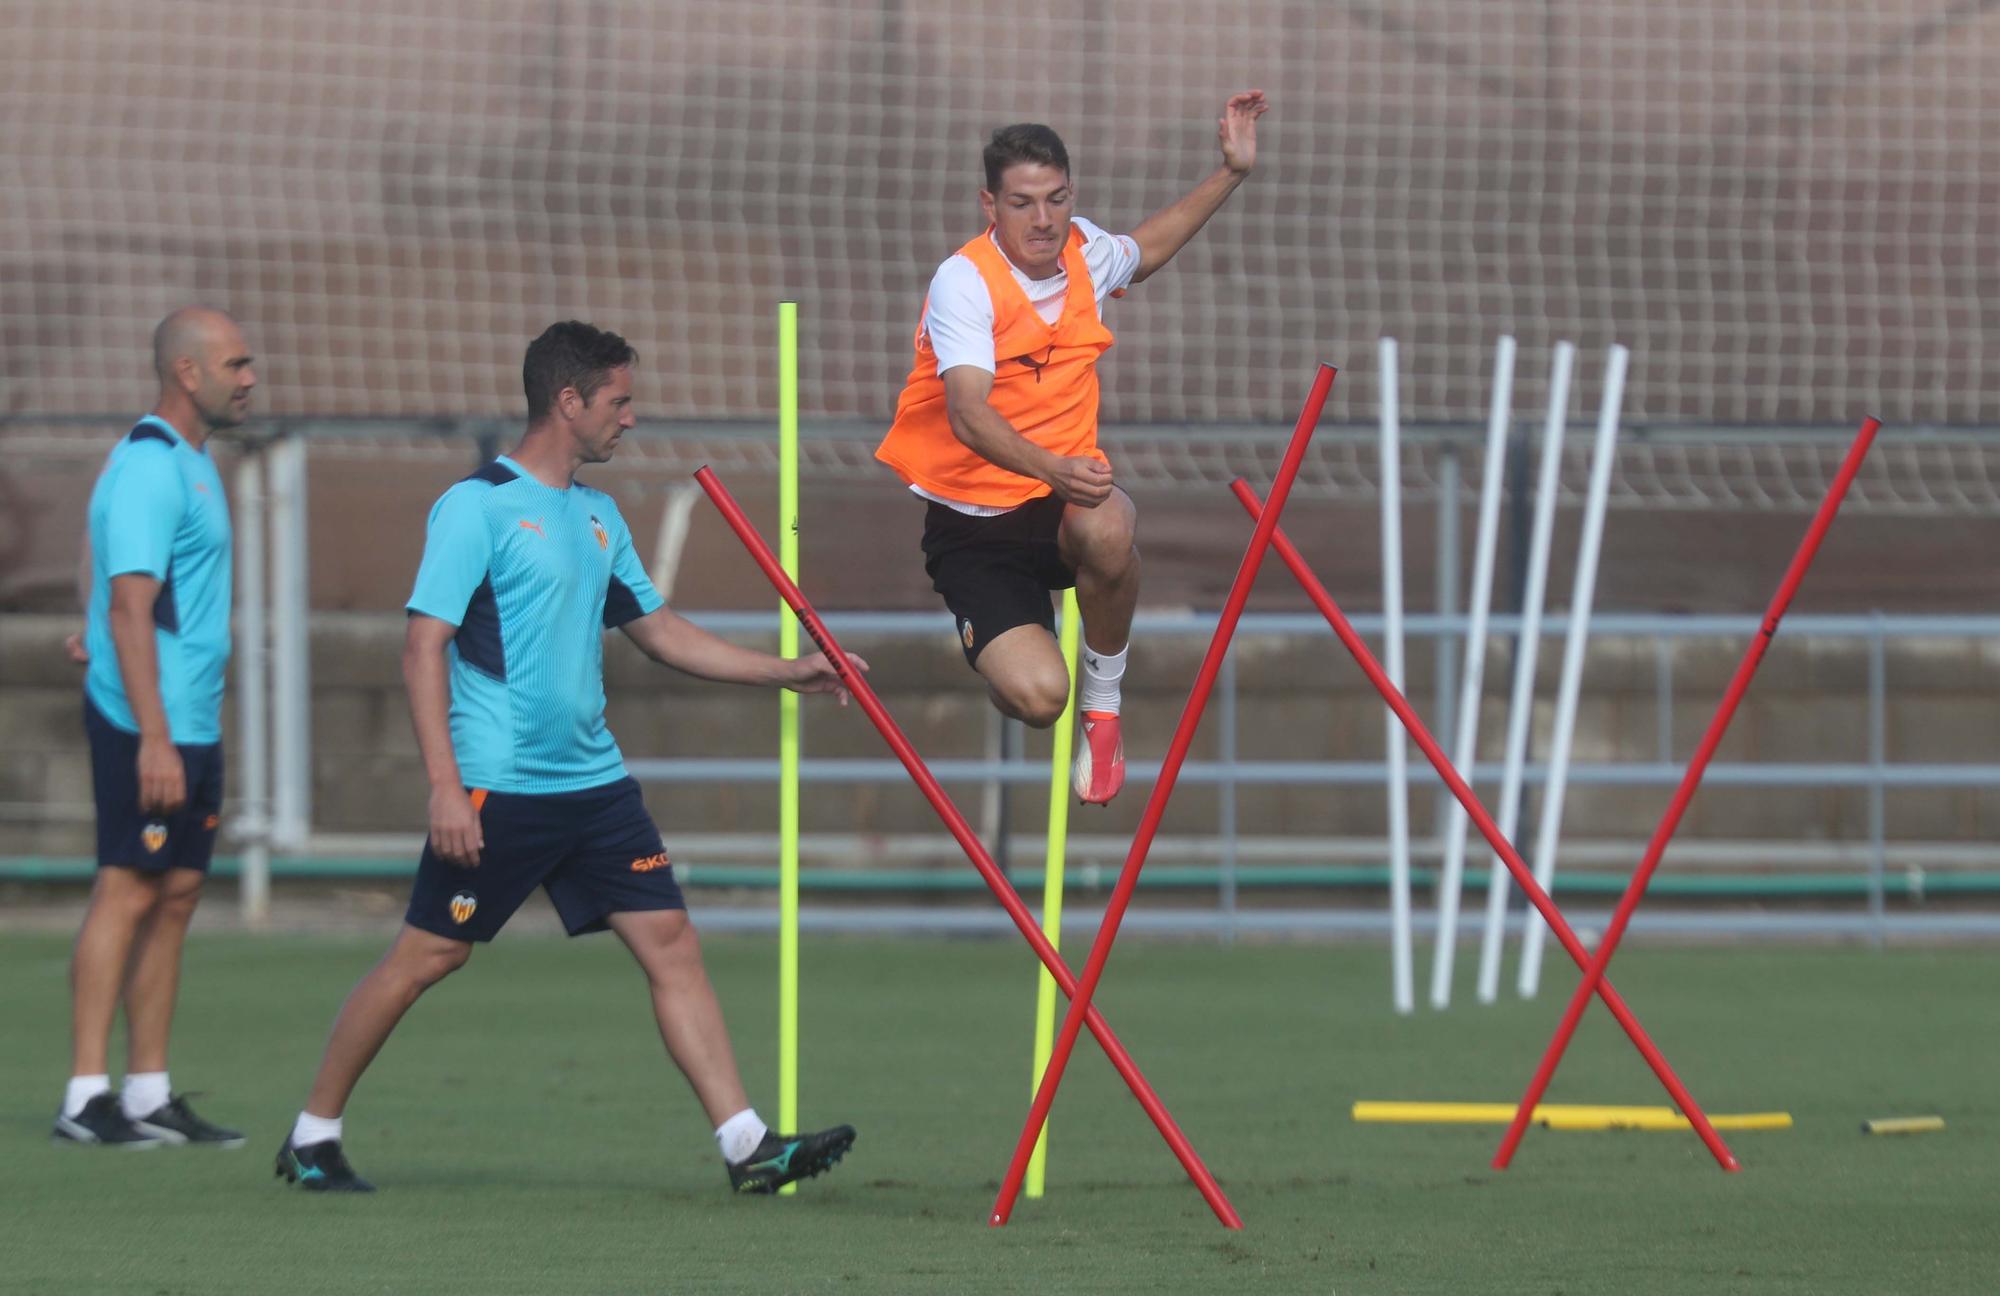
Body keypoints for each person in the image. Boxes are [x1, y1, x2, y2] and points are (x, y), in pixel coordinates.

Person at [276, 321, 859, 1194]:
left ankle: (748, 1147)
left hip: (595, 786)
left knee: (671, 940)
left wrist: (786, 672)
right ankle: (313, 1136)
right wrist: (443, 786)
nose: (631, 418)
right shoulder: (474, 506)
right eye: (619, 401)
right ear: (568, 401)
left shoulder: (598, 516)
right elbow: (421, 647)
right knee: (430, 956)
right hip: (497, 787)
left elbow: (659, 632)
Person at [875, 91, 1271, 805]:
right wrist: (1052, 465)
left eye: (1056, 199)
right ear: (989, 205)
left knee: (1110, 516)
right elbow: (967, 413)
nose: (1043, 219)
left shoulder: (1084, 252)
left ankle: (1106, 709)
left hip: (1060, 505)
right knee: (1036, 700)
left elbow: (1146, 250)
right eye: (1023, 202)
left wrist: (1231, 172)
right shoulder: (964, 282)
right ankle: (1032, 682)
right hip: (975, 526)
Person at [56, 307, 257, 1147]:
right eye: (236, 364)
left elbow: (113, 590)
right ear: (187, 372)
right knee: (127, 887)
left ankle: (147, 1090)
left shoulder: (195, 463)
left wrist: (93, 634)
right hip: (153, 726)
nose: (250, 378)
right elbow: (131, 607)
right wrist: (153, 737)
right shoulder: (148, 467)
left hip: (190, 722)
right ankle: (84, 1095)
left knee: (174, 897)